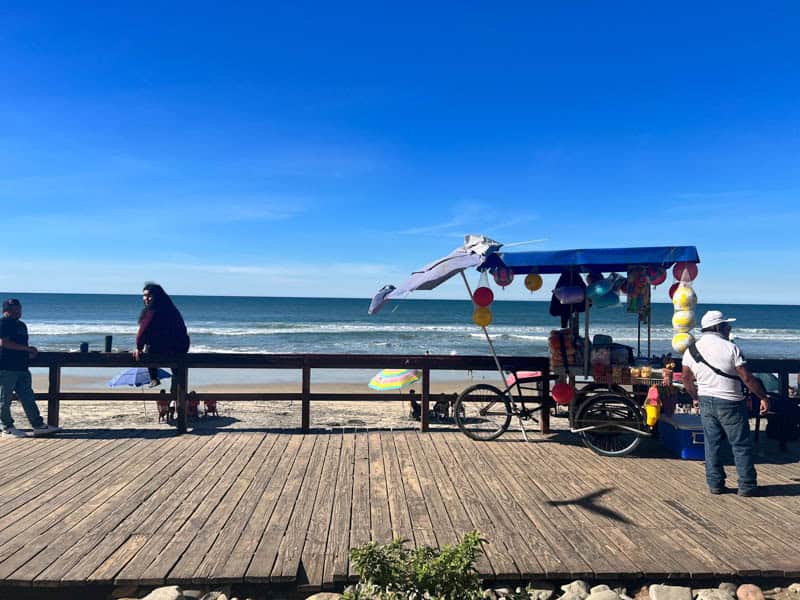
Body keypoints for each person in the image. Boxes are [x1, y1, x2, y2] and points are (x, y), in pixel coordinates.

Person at [681, 310, 769, 497]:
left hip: (705, 400)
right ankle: (747, 485)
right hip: (731, 401)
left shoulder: (691, 350)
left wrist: (695, 398)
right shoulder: (730, 348)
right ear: (719, 327)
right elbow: (747, 377)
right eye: (727, 325)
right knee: (740, 444)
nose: (730, 328)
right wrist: (763, 397)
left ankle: (715, 484)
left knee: (712, 444)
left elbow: (686, 379)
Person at [0, 298, 62, 437]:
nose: (17, 312)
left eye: (18, 309)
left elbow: (22, 344)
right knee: (5, 399)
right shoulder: (3, 323)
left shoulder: (22, 325)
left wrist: (30, 353)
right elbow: (3, 343)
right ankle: (7, 427)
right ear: (5, 311)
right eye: (13, 310)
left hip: (22, 367)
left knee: (28, 397)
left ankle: (38, 425)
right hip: (6, 367)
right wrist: (26, 348)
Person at [134, 283, 190, 389]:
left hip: (169, 347)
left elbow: (143, 330)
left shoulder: (153, 310)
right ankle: (177, 395)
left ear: (157, 296)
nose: (146, 298)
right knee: (177, 374)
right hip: (179, 348)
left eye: (149, 295)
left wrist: (139, 347)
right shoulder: (171, 308)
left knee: (148, 349)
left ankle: (154, 378)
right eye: (144, 295)